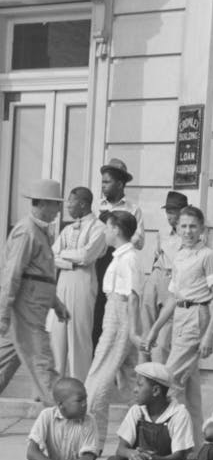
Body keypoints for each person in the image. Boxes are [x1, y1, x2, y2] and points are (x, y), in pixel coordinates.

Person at [142, 205, 213, 445]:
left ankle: (165, 444)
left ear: (202, 229)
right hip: (180, 316)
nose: (188, 231)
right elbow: (173, 298)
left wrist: (209, 335)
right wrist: (155, 329)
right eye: (184, 226)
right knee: (190, 391)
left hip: (197, 317)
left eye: (193, 226)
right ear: (176, 228)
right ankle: (196, 449)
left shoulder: (208, 256)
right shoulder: (178, 256)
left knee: (169, 382)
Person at [0, 179, 70, 404]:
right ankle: (63, 417)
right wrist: (3, 312)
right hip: (26, 310)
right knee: (43, 363)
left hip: (33, 307)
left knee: (5, 362)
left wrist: (56, 304)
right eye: (55, 204)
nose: (59, 210)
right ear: (43, 204)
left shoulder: (40, 232)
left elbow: (41, 276)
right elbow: (12, 274)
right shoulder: (27, 232)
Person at [83, 210, 143, 449]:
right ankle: (146, 434)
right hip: (116, 312)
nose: (105, 232)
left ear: (116, 229)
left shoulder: (128, 259)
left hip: (120, 317)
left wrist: (130, 331)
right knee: (130, 385)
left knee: (98, 380)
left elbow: (133, 296)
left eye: (107, 227)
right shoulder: (121, 257)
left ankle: (93, 442)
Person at [50, 186, 105, 381]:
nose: (68, 206)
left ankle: (78, 386)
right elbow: (51, 255)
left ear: (83, 203)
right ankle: (55, 387)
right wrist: (69, 260)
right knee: (57, 335)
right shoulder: (66, 229)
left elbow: (87, 256)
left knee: (78, 336)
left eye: (71, 202)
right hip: (63, 281)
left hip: (83, 282)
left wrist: (63, 256)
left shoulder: (98, 227)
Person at [93, 158, 144, 348]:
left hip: (121, 260)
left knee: (118, 312)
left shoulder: (132, 209)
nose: (103, 186)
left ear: (120, 184)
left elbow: (139, 241)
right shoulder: (97, 206)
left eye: (107, 182)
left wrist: (120, 231)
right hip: (99, 262)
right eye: (103, 182)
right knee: (97, 312)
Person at [140, 191, 187, 364]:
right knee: (146, 323)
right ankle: (143, 371)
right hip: (158, 274)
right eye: (168, 211)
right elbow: (156, 254)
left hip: (174, 280)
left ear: (183, 211)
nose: (170, 216)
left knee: (164, 334)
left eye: (174, 211)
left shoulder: (189, 233)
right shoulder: (163, 231)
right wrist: (152, 276)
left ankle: (159, 375)